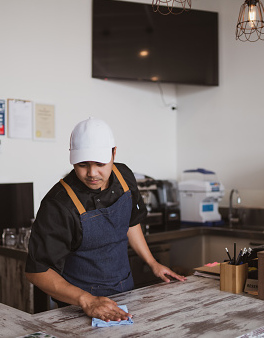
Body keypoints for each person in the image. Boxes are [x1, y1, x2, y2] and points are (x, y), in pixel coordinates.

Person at [25, 117, 186, 322]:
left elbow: (130, 221)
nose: (92, 173)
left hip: (126, 294)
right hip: (78, 307)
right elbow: (37, 271)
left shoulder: (124, 177)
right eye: (82, 165)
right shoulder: (58, 204)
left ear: (114, 153)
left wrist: (152, 262)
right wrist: (87, 300)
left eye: (100, 164)